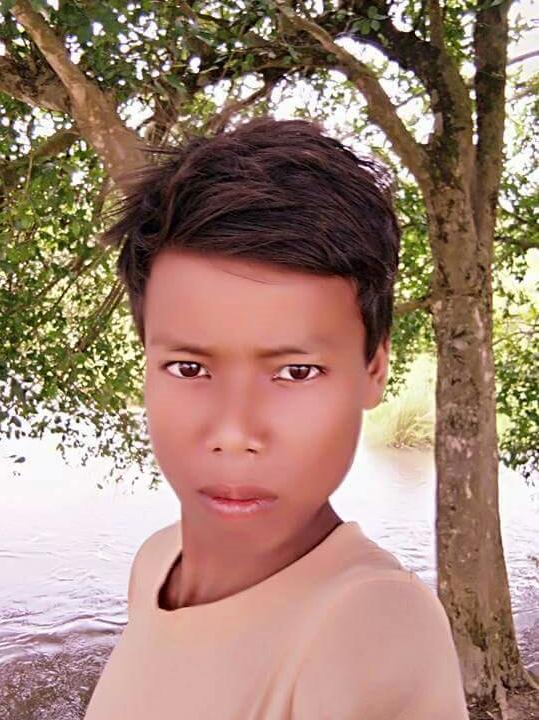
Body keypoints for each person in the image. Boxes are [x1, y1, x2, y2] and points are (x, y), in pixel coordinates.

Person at [83, 117, 469, 719]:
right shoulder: (156, 562)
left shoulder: (371, 625)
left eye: (295, 372)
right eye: (188, 367)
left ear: (373, 369)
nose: (235, 432)